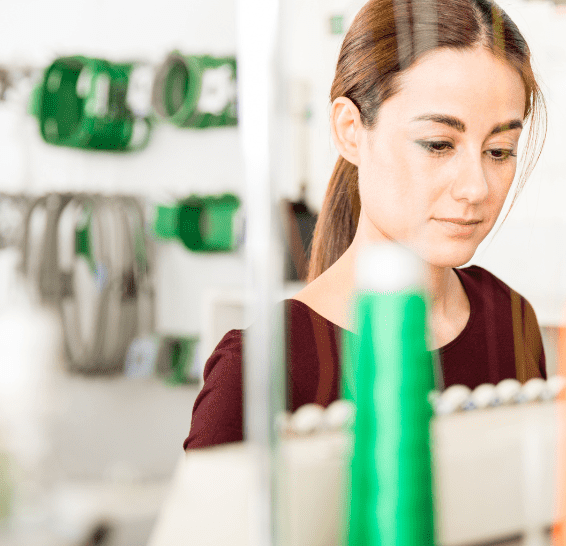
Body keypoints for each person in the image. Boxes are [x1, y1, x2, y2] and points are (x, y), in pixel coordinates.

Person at [184, 0, 547, 449]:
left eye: (499, 150)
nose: (475, 188)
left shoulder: (509, 319)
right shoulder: (260, 369)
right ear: (350, 130)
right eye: (438, 144)